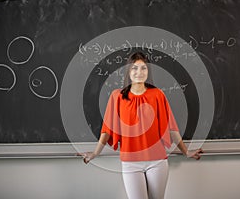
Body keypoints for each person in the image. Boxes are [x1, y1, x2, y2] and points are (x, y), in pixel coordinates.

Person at [77, 52, 203, 199]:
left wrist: (186, 152)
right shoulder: (117, 96)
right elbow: (107, 130)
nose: (139, 72)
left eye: (143, 68)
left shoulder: (157, 95)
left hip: (157, 161)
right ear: (128, 71)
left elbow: (171, 127)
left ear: (148, 71)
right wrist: (95, 153)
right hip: (130, 163)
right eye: (134, 68)